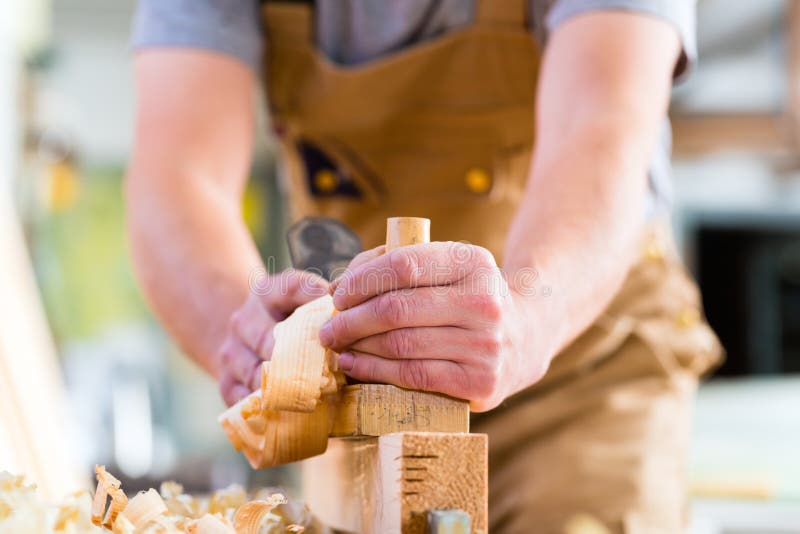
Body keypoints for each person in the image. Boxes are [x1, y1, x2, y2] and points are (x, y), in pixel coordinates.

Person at [127, 1, 722, 531]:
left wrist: (527, 318)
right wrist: (253, 338)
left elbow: (602, 125)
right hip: (364, 390)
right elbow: (178, 180)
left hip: (583, 368)